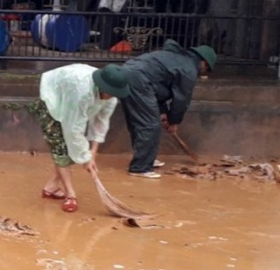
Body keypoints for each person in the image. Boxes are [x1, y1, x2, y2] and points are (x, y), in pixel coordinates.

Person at [38, 63, 130, 213]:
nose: (111, 96)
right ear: (102, 87)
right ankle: (70, 195)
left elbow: (101, 121)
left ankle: (51, 187)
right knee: (61, 147)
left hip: (71, 104)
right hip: (53, 97)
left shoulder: (111, 98)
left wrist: (93, 151)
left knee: (75, 149)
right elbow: (73, 128)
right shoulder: (81, 92)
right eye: (110, 92)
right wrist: (85, 157)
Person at [120, 40, 217, 179]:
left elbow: (159, 88)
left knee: (139, 122)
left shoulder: (175, 59)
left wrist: (163, 112)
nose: (203, 72)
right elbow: (182, 99)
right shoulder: (189, 69)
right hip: (138, 79)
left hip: (129, 75)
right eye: (206, 69)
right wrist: (174, 121)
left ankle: (146, 159)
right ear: (204, 62)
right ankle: (140, 167)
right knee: (150, 125)